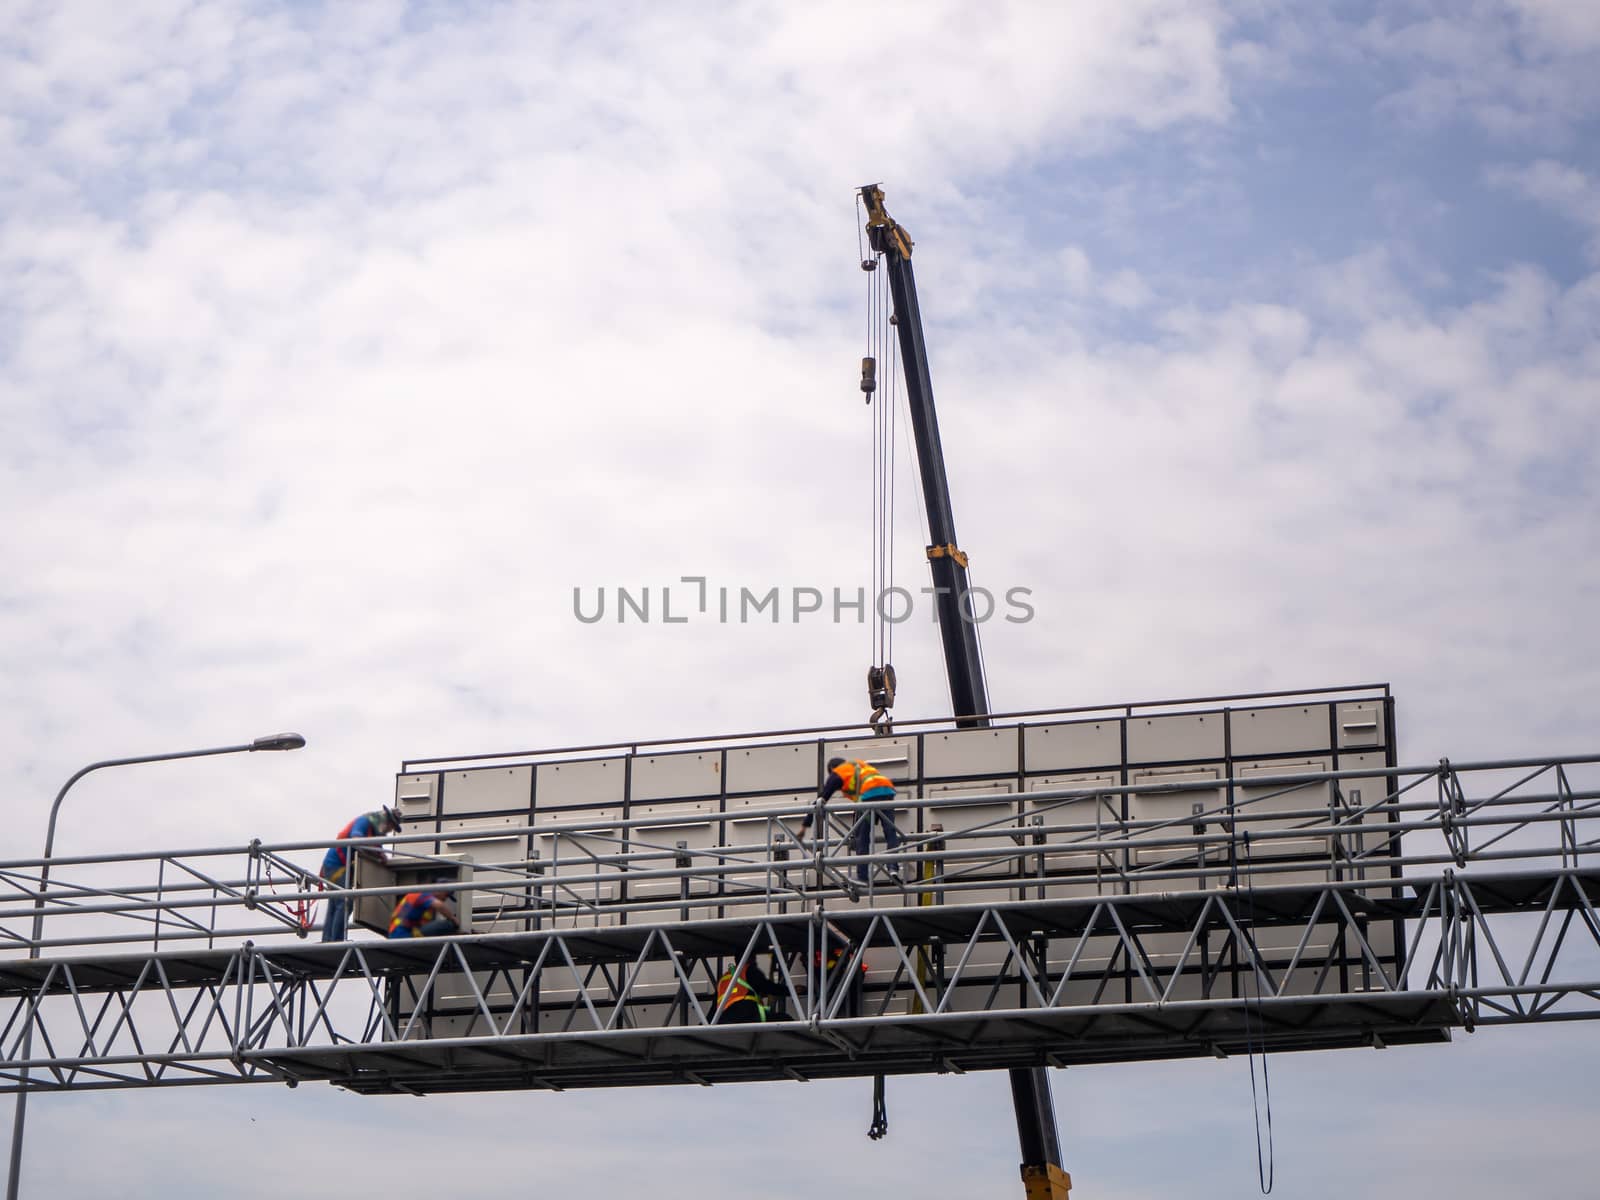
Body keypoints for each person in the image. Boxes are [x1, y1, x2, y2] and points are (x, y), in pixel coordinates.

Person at [801, 757, 904, 885]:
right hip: (887, 791)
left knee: (862, 836)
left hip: (868, 796)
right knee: (890, 833)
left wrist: (805, 825)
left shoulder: (838, 772)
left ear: (832, 768)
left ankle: (863, 876)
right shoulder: (859, 765)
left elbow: (822, 798)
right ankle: (893, 869)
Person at [319, 805, 401, 942]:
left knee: (335, 903)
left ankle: (328, 940)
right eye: (391, 826)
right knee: (345, 901)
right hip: (336, 864)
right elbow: (356, 838)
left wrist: (381, 856)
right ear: (386, 820)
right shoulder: (365, 822)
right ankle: (336, 940)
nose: (389, 830)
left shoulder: (374, 833)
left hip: (340, 865)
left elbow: (376, 850)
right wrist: (376, 853)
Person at [714, 957, 786, 1023]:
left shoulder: (723, 979)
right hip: (747, 1014)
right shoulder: (749, 970)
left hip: (725, 1019)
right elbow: (769, 987)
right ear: (750, 958)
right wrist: (790, 991)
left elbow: (714, 1008)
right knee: (785, 1019)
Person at [386, 884, 459, 938]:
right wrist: (453, 919)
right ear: (439, 890)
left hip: (399, 933)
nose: (445, 900)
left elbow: (424, 924)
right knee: (448, 924)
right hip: (402, 933)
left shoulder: (425, 903)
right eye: (446, 896)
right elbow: (439, 905)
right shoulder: (422, 894)